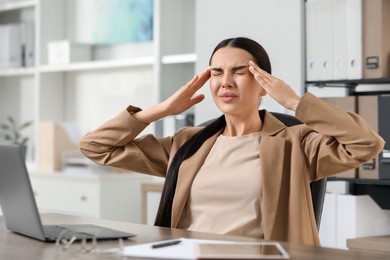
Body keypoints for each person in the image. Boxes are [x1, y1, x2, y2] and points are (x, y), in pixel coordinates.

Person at [79, 37, 384, 246]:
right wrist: (160, 110)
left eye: (240, 72)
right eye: (217, 72)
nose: (225, 81)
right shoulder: (187, 145)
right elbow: (96, 147)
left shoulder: (296, 143)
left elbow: (365, 143)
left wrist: (294, 102)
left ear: (264, 83)